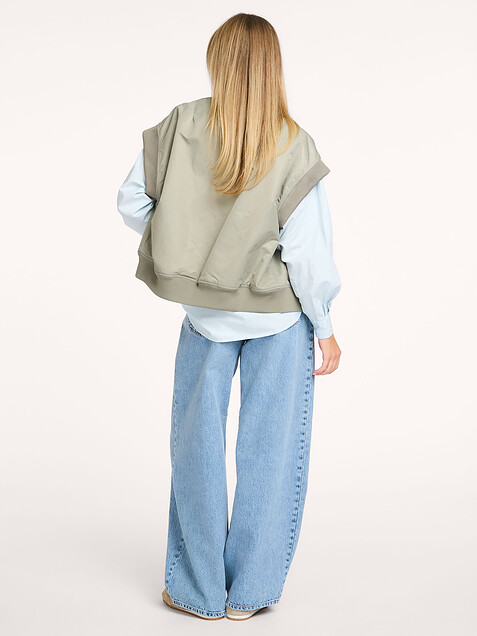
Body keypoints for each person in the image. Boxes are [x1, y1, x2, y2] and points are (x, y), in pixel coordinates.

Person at [117, 12, 341, 622]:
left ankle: (197, 592)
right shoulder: (294, 142)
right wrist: (324, 326)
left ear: (216, 62)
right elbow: (307, 252)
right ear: (274, 67)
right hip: (279, 320)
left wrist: (182, 250)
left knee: (196, 449)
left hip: (203, 317)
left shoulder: (182, 123)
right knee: (271, 454)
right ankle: (248, 595)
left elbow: (131, 200)